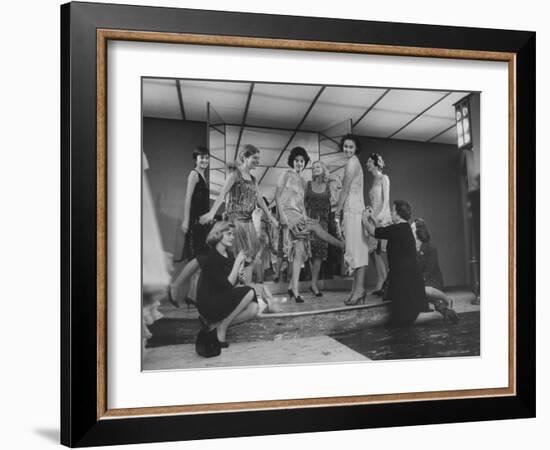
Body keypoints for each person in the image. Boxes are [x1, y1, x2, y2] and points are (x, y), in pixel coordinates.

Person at [199, 144, 278, 300]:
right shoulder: (235, 175)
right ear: (244, 157)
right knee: (237, 259)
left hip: (248, 223)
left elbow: (260, 200)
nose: (257, 161)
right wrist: (212, 212)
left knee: (249, 258)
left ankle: (245, 292)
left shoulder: (254, 179)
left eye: (258, 158)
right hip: (235, 222)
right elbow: (222, 195)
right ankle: (232, 293)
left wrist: (270, 217)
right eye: (255, 158)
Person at [276, 147, 344, 303]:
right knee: (300, 249)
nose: (299, 163)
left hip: (300, 215)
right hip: (289, 216)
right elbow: (277, 196)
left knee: (299, 252)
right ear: (292, 161)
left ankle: (293, 288)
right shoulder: (286, 174)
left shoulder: (302, 180)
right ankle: (341, 245)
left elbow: (301, 203)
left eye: (302, 161)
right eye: (296, 160)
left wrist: (306, 217)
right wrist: (282, 217)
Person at [362, 200, 428, 326]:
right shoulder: (404, 228)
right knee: (407, 314)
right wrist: (372, 218)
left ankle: (442, 314)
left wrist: (364, 218)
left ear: (398, 214)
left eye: (393, 211)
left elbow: (374, 232)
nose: (391, 213)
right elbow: (383, 230)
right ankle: (441, 312)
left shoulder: (397, 229)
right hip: (408, 275)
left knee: (407, 318)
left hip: (404, 278)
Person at [195, 221, 259, 350]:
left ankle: (216, 325)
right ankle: (222, 328)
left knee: (253, 308)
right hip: (209, 302)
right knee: (250, 291)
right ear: (218, 234)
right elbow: (225, 286)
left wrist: (240, 279)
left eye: (233, 234)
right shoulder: (210, 256)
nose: (232, 237)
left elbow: (230, 285)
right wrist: (237, 263)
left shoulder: (228, 255)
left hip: (220, 297)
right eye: (229, 234)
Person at [168, 146, 210, 308]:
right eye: (201, 158)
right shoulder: (194, 174)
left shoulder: (204, 176)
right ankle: (175, 286)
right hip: (194, 223)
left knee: (199, 260)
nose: (205, 160)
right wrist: (186, 220)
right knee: (199, 259)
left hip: (202, 223)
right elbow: (187, 199)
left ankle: (192, 295)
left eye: (206, 158)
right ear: (196, 159)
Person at [335, 134, 370, 305]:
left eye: (351, 147)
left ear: (356, 149)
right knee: (355, 252)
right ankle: (355, 290)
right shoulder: (353, 162)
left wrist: (337, 212)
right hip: (353, 210)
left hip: (354, 210)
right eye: (346, 146)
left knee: (358, 252)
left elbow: (345, 190)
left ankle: (360, 290)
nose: (348, 149)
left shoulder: (352, 163)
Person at [413, 218, 459, 323]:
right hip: (420, 280)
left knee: (434, 299)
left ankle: (446, 312)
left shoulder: (430, 247)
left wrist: (420, 281)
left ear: (418, 231)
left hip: (432, 279)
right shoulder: (413, 246)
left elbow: (430, 269)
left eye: (412, 228)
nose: (410, 230)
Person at [365, 153, 391, 296]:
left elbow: (386, 200)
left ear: (376, 163)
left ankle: (383, 283)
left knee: (378, 250)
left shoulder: (383, 178)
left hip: (381, 218)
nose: (367, 164)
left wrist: (379, 218)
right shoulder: (374, 180)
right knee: (373, 251)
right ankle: (381, 280)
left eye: (369, 161)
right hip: (373, 218)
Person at [305, 160, 332, 296]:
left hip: (323, 223)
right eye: (313, 167)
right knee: (309, 252)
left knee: (319, 254)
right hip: (309, 221)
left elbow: (335, 201)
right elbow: (303, 202)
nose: (315, 169)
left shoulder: (328, 186)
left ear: (323, 169)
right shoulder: (308, 185)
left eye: (318, 166)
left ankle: (314, 283)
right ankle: (312, 280)